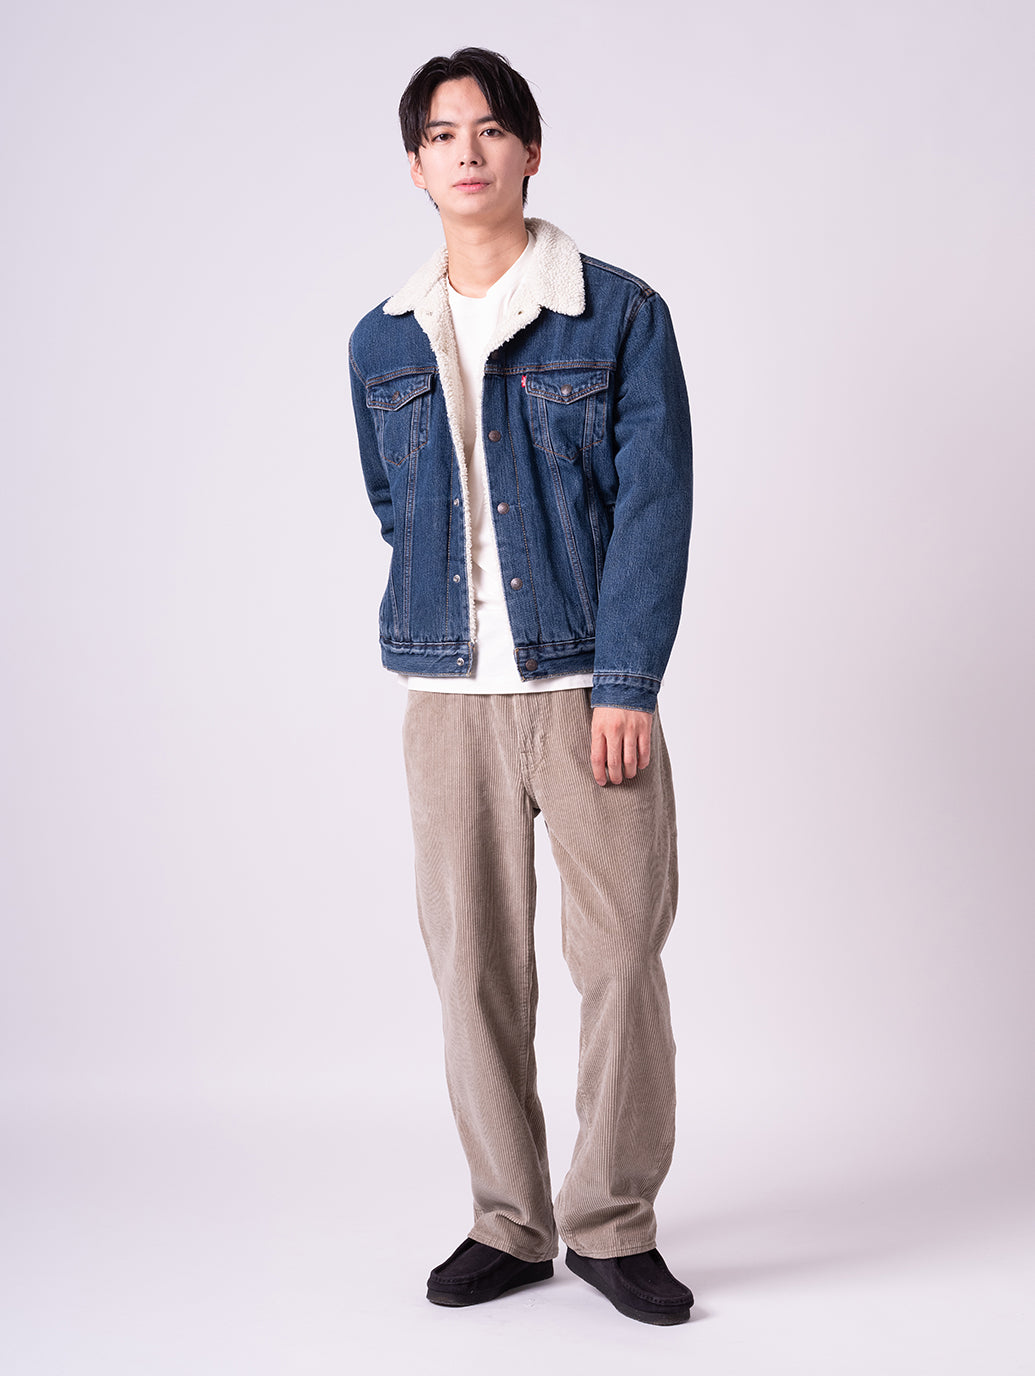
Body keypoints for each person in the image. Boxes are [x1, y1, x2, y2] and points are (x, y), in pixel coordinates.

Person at [348, 47, 694, 1326]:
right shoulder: (380, 338)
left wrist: (628, 679)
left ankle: (611, 1221)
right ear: (416, 165)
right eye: (444, 135)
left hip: (591, 687)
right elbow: (396, 507)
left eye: (492, 129)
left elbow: (656, 503)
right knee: (473, 971)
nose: (469, 151)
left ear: (531, 151)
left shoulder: (620, 314)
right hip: (447, 701)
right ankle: (509, 1218)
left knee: (622, 959)